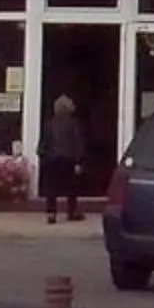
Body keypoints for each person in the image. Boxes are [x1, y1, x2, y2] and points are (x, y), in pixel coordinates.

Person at [41, 94, 88, 223]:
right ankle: (71, 212)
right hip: (68, 159)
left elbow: (43, 144)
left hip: (52, 159)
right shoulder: (74, 124)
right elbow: (78, 143)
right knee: (71, 187)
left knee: (51, 188)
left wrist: (44, 157)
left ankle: (51, 213)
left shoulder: (49, 124)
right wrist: (79, 161)